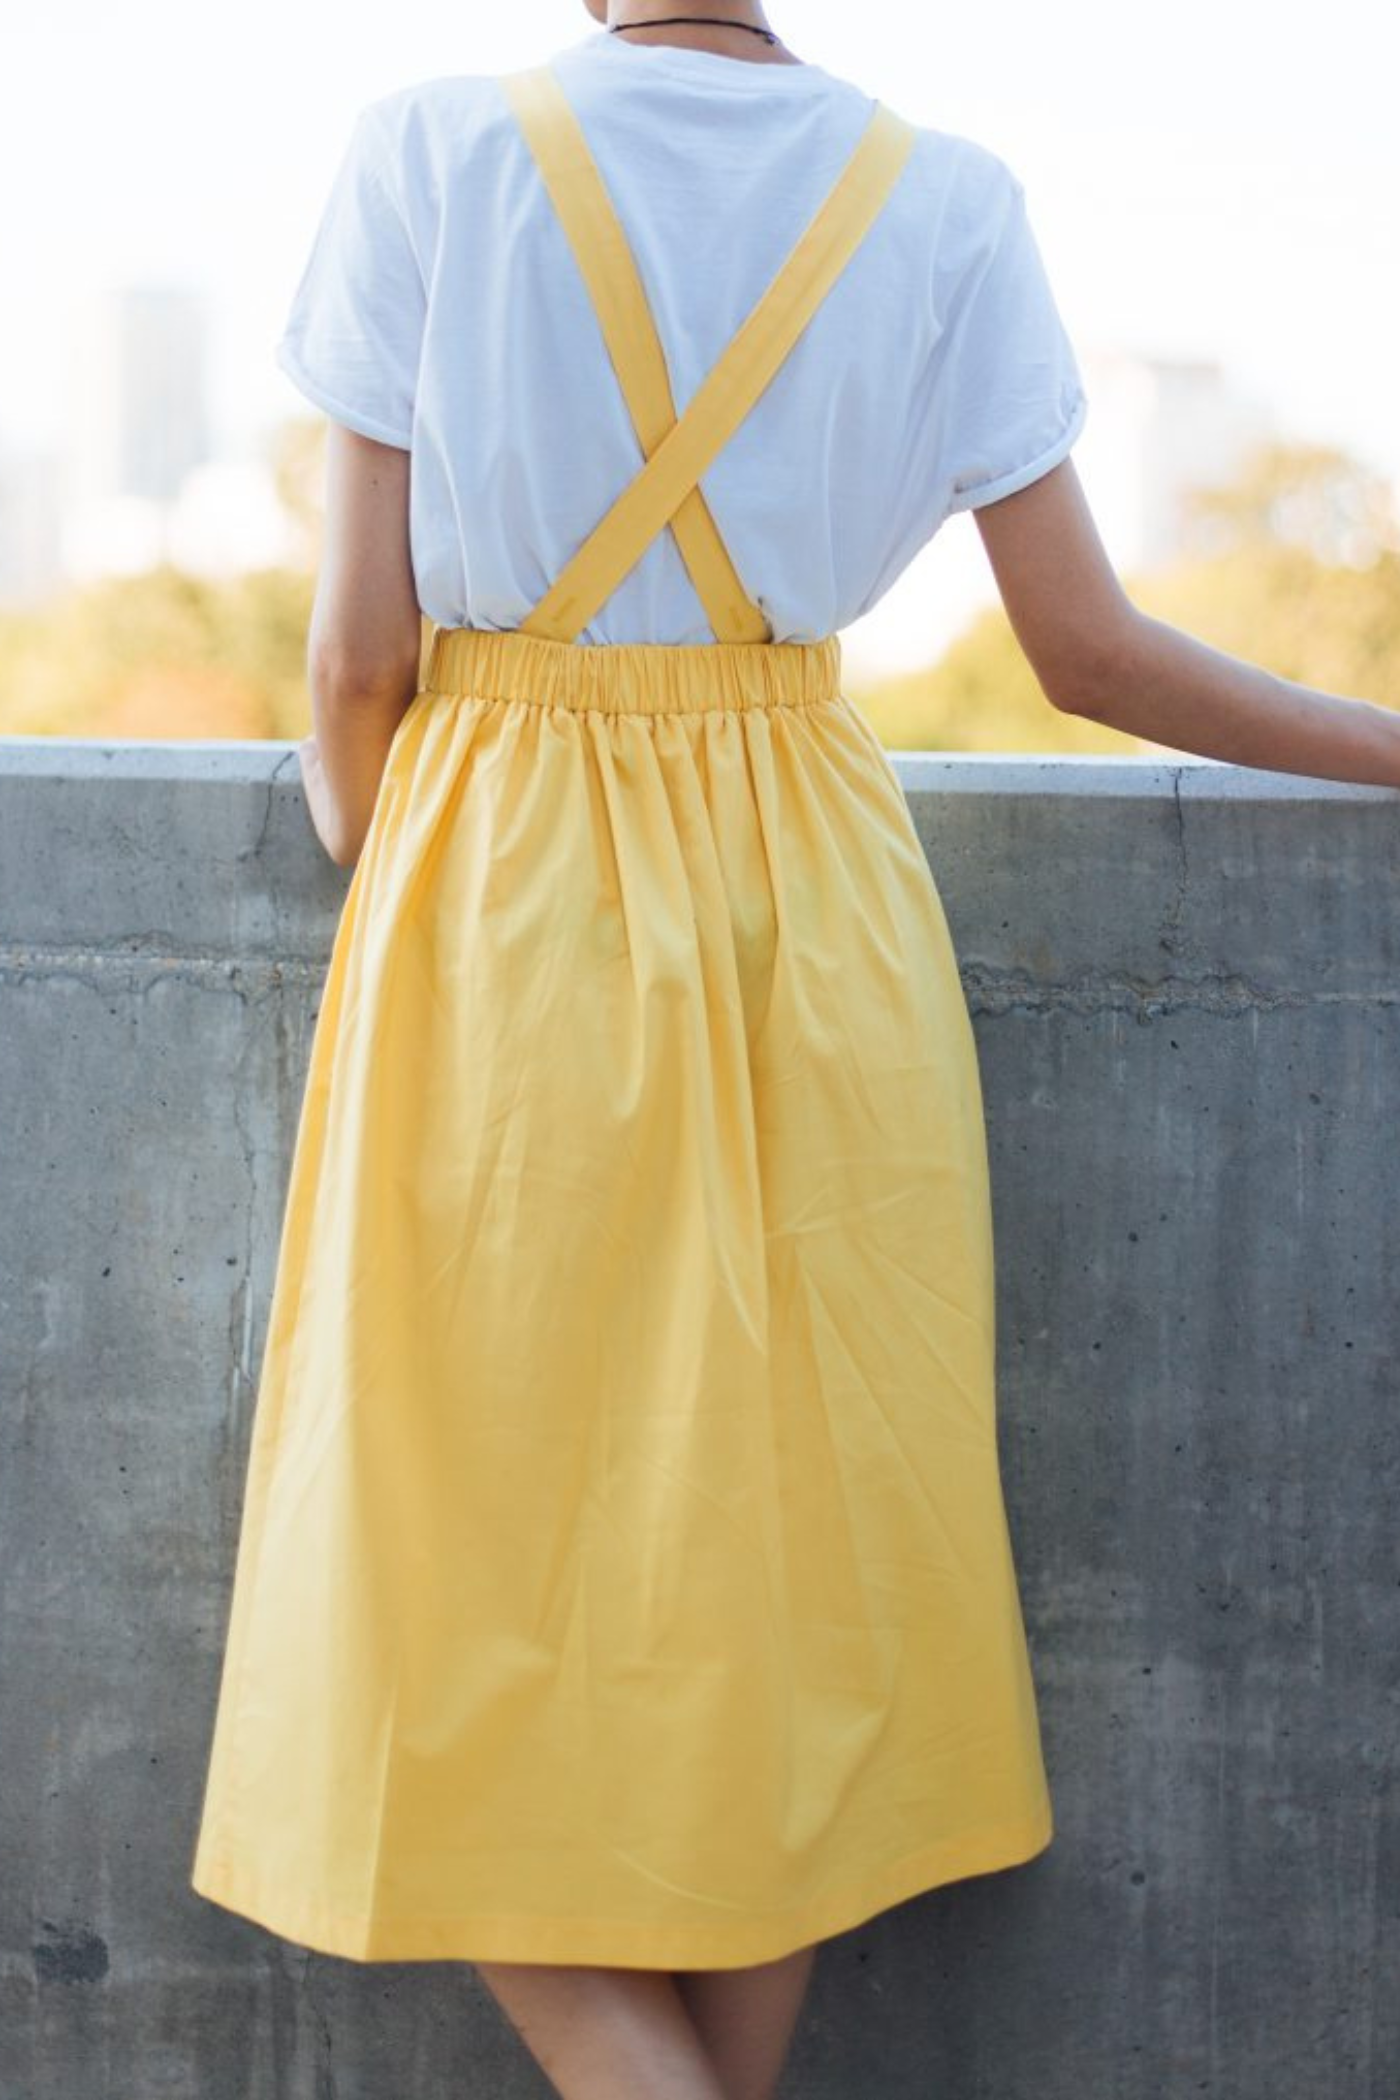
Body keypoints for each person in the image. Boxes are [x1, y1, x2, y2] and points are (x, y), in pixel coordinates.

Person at [190, 6, 1400, 2099]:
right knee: (784, 1576)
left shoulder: (437, 149)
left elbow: (360, 657)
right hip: (818, 889)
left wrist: (371, 840)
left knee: (432, 1563)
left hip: (503, 867)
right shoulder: (942, 194)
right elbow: (1087, 651)